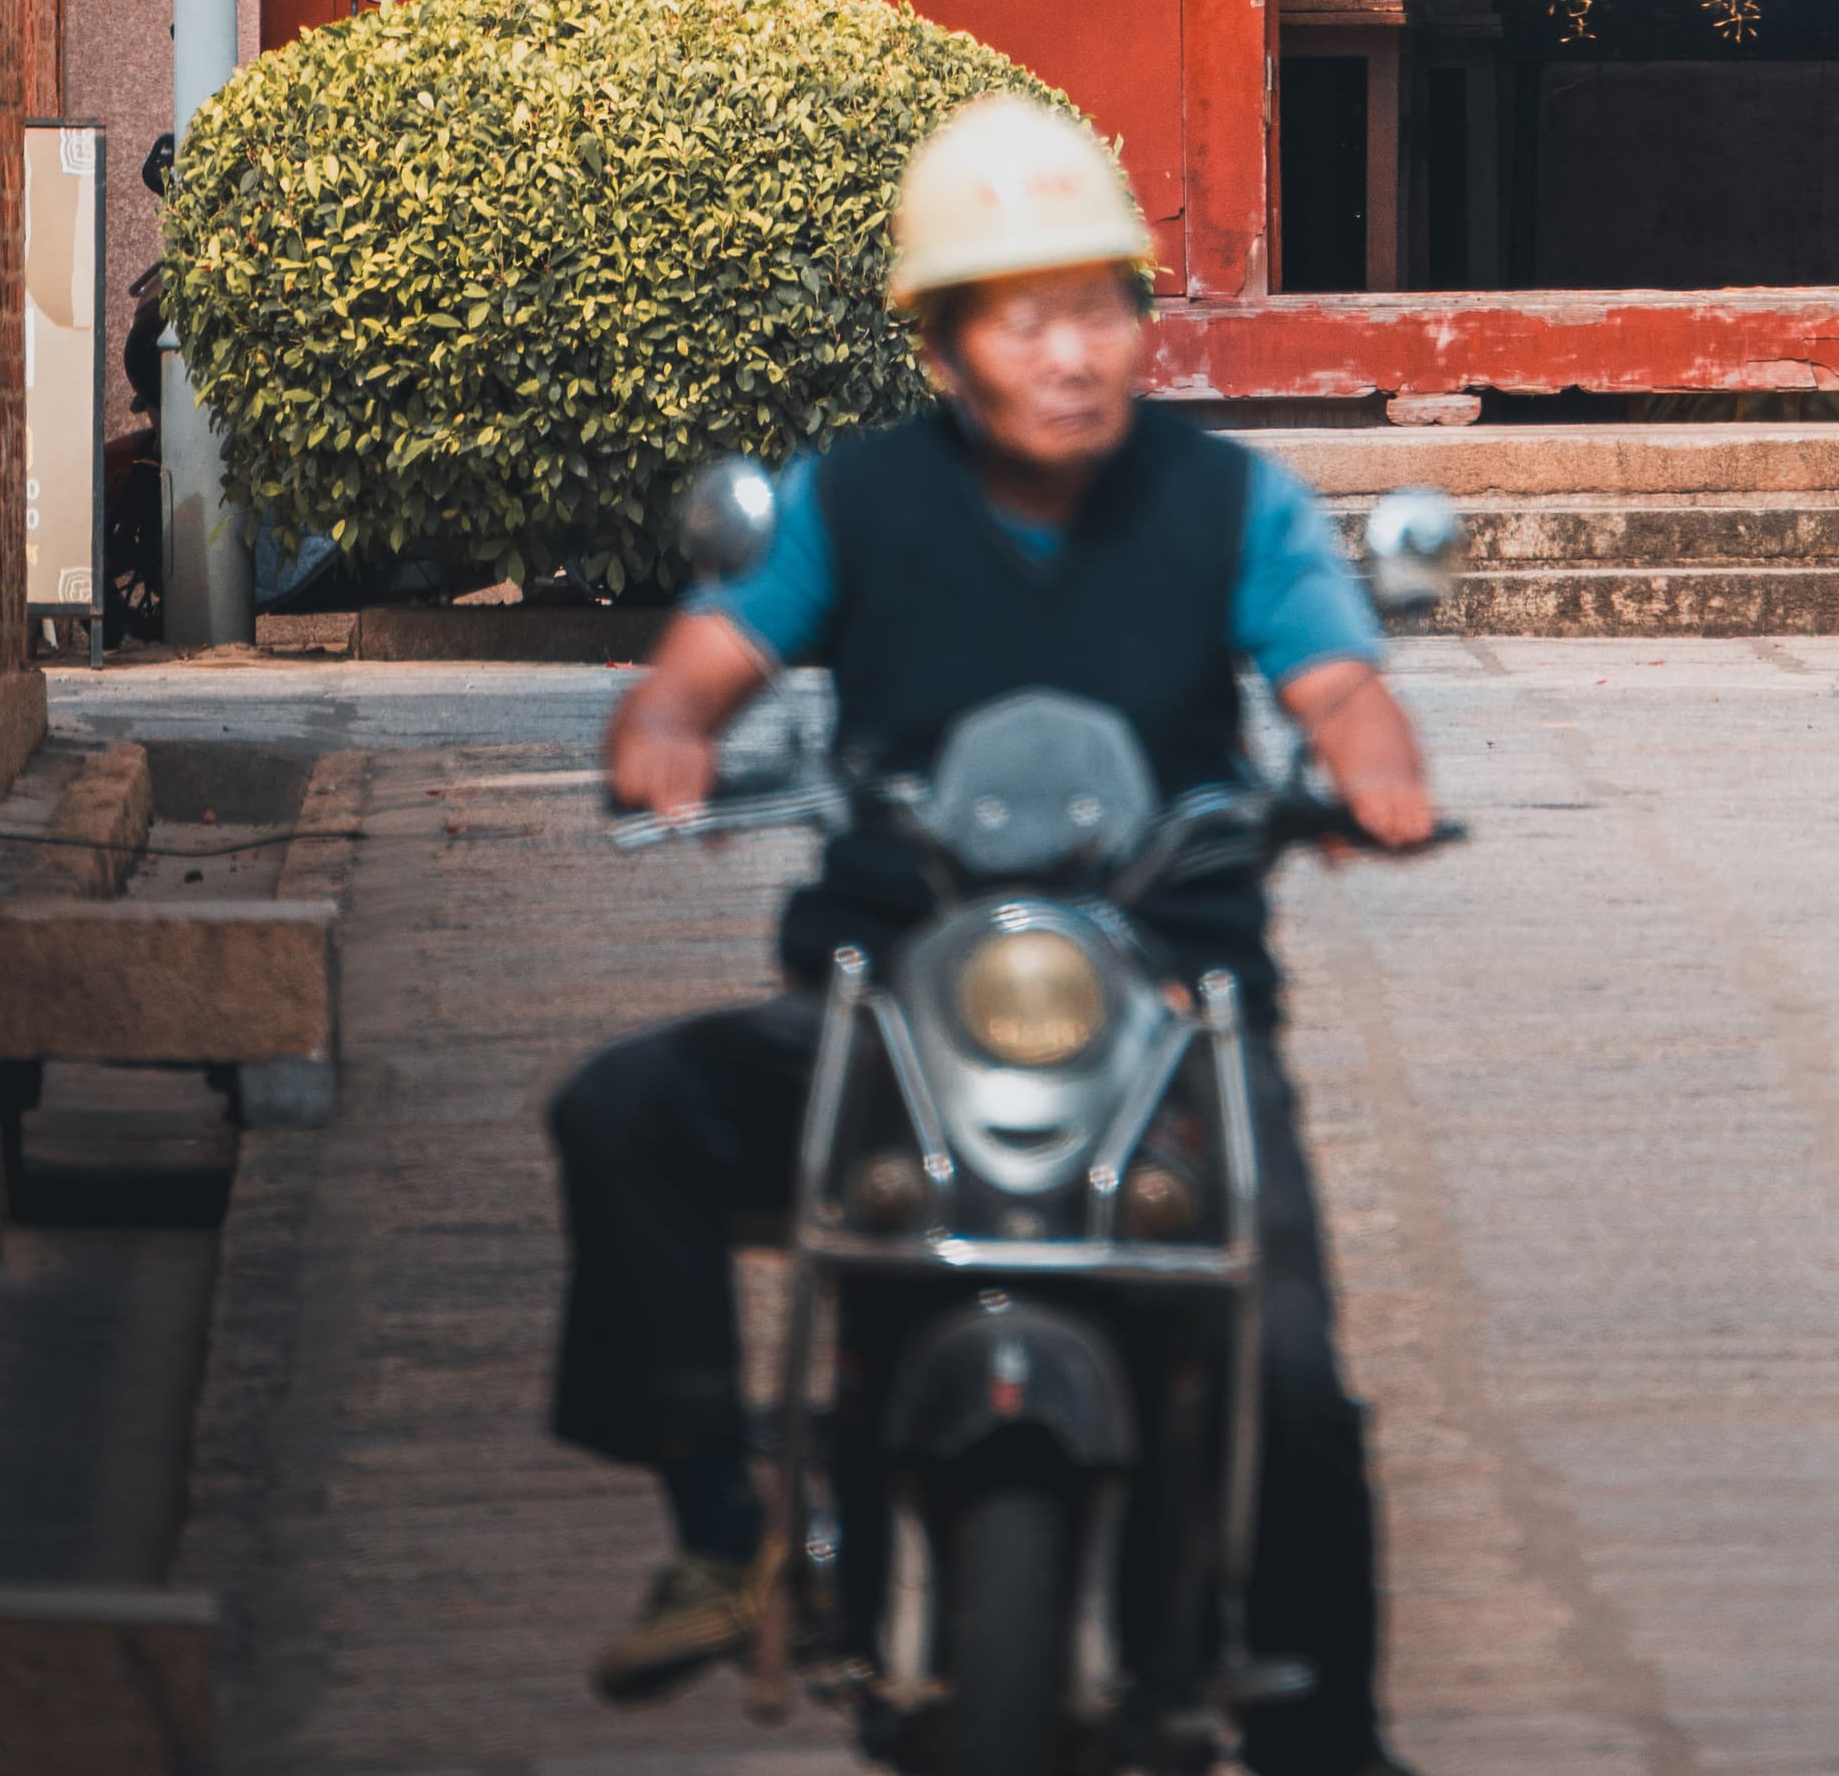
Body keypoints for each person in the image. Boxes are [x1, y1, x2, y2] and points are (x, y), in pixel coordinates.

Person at [547, 93, 1438, 1730]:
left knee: (1293, 1370)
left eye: (1100, 307)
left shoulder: (1234, 504)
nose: (1072, 352)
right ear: (944, 339)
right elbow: (694, 679)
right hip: (891, 996)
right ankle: (722, 1530)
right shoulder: (851, 501)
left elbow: (1341, 689)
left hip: (1170, 1010)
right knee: (624, 1111)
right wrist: (664, 745)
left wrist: (1371, 776)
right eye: (1023, 316)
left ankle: (1328, 1730)